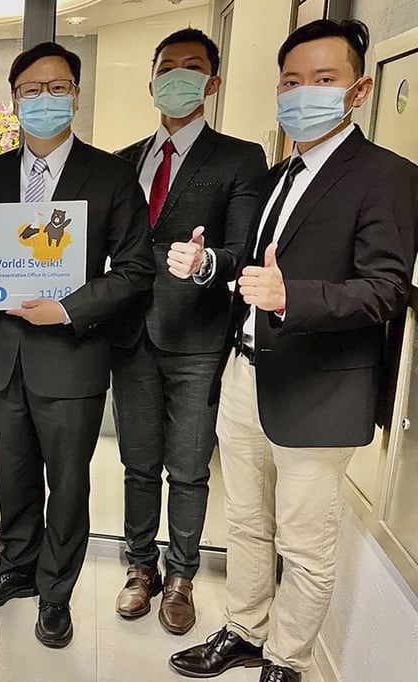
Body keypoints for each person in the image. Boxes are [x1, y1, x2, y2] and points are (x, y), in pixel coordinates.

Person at [170, 20, 418, 682]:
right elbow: (253, 264)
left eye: (324, 80)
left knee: (304, 547)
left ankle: (287, 661)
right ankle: (246, 632)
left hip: (321, 389)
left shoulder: (388, 177)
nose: (302, 93)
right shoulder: (280, 174)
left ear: (360, 89)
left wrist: (290, 298)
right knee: (248, 525)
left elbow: (384, 291)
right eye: (291, 81)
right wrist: (206, 264)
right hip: (247, 375)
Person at [0, 42, 155, 648]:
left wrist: (69, 308)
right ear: (15, 99)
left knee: (68, 483)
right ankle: (16, 569)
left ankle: (56, 593)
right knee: (14, 473)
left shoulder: (111, 175)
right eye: (31, 90)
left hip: (71, 359)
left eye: (57, 88)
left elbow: (133, 270)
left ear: (76, 94)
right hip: (1, 357)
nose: (44, 100)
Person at [110, 29, 267, 635]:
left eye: (192, 68)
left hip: (198, 338)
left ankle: (181, 576)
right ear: (150, 82)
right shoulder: (123, 161)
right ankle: (140, 569)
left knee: (190, 467)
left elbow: (242, 249)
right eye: (167, 68)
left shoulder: (239, 157)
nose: (178, 78)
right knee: (138, 463)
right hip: (130, 336)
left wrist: (207, 265)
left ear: (213, 82)